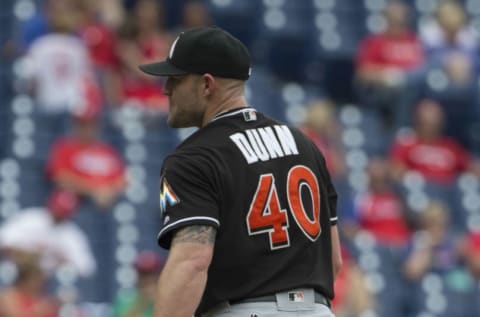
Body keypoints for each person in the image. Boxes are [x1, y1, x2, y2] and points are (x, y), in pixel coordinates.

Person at [139, 26, 342, 317]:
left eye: (176, 79)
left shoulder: (195, 156)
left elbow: (192, 262)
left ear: (206, 85)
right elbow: (333, 260)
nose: (165, 89)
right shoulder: (304, 145)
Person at [0, 188, 96, 278]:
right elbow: (3, 240)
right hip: (19, 276)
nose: (59, 215)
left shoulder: (72, 234)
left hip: (49, 283)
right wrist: (25, 252)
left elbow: (86, 268)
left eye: (63, 213)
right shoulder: (31, 219)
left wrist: (63, 260)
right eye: (58, 210)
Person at [113, 251, 164, 317]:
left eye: (152, 273)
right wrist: (142, 303)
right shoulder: (125, 299)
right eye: (143, 274)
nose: (147, 277)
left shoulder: (167, 300)